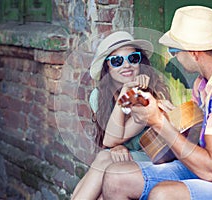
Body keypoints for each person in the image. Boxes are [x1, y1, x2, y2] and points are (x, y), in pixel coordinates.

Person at [101, 6, 212, 200]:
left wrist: (157, 121)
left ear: (194, 53)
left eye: (174, 51)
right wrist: (171, 115)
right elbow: (196, 138)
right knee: (116, 178)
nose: (173, 58)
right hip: (198, 164)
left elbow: (211, 169)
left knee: (162, 195)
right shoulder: (203, 81)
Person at [71, 31, 170, 200]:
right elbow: (111, 141)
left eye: (132, 58)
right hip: (119, 162)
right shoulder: (98, 96)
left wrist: (126, 92)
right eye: (117, 61)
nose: (126, 66)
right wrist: (115, 148)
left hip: (154, 160)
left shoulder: (150, 93)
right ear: (107, 67)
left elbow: (110, 140)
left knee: (104, 157)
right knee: (101, 191)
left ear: (140, 61)